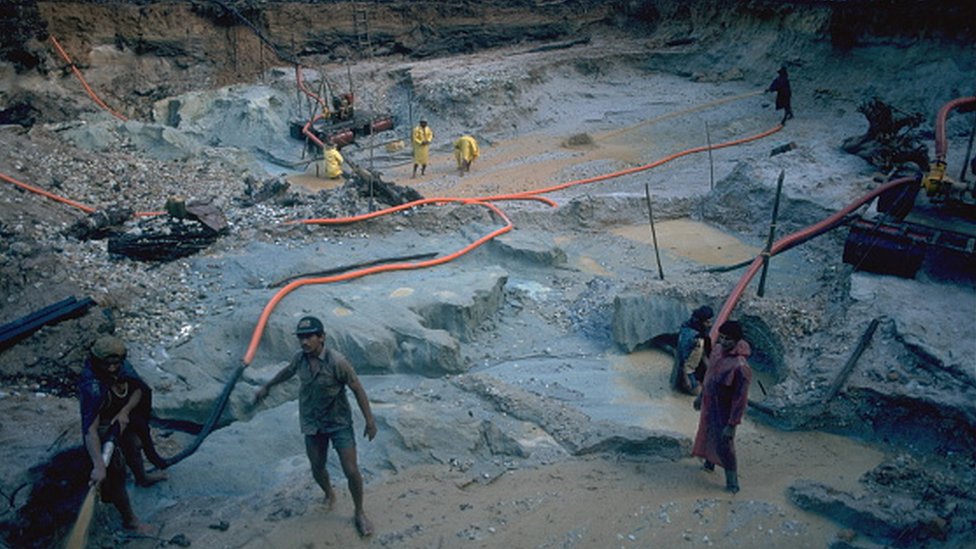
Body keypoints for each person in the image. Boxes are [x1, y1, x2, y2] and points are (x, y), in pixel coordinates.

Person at [254, 316, 378, 537]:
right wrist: (268, 386)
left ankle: (359, 512)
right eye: (301, 337)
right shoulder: (300, 359)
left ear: (321, 337)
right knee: (317, 468)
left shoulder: (337, 362)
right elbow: (288, 372)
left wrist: (370, 421)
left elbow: (357, 388)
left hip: (338, 421)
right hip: (312, 422)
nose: (304, 342)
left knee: (351, 470)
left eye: (309, 337)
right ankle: (329, 493)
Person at [78, 336, 166, 533]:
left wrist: (125, 412)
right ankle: (130, 521)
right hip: (103, 425)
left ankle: (142, 478)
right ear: (96, 361)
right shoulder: (92, 386)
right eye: (106, 364)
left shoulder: (122, 367)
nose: (111, 368)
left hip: (120, 415)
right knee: (115, 472)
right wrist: (99, 465)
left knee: (134, 444)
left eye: (115, 364)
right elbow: (90, 429)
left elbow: (139, 390)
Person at [691, 320, 752, 494]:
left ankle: (732, 483)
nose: (723, 342)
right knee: (707, 432)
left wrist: (732, 425)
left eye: (728, 339)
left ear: (737, 340)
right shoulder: (717, 350)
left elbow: (740, 399)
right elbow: (709, 375)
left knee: (724, 444)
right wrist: (701, 396)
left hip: (725, 409)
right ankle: (708, 464)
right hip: (710, 402)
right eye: (722, 337)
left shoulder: (741, 367)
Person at [671, 305, 714, 395]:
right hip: (687, 370)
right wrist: (686, 378)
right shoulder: (691, 336)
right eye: (707, 322)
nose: (710, 325)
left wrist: (712, 371)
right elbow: (684, 358)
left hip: (695, 363)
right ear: (701, 321)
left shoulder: (698, 331)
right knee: (699, 393)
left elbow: (703, 354)